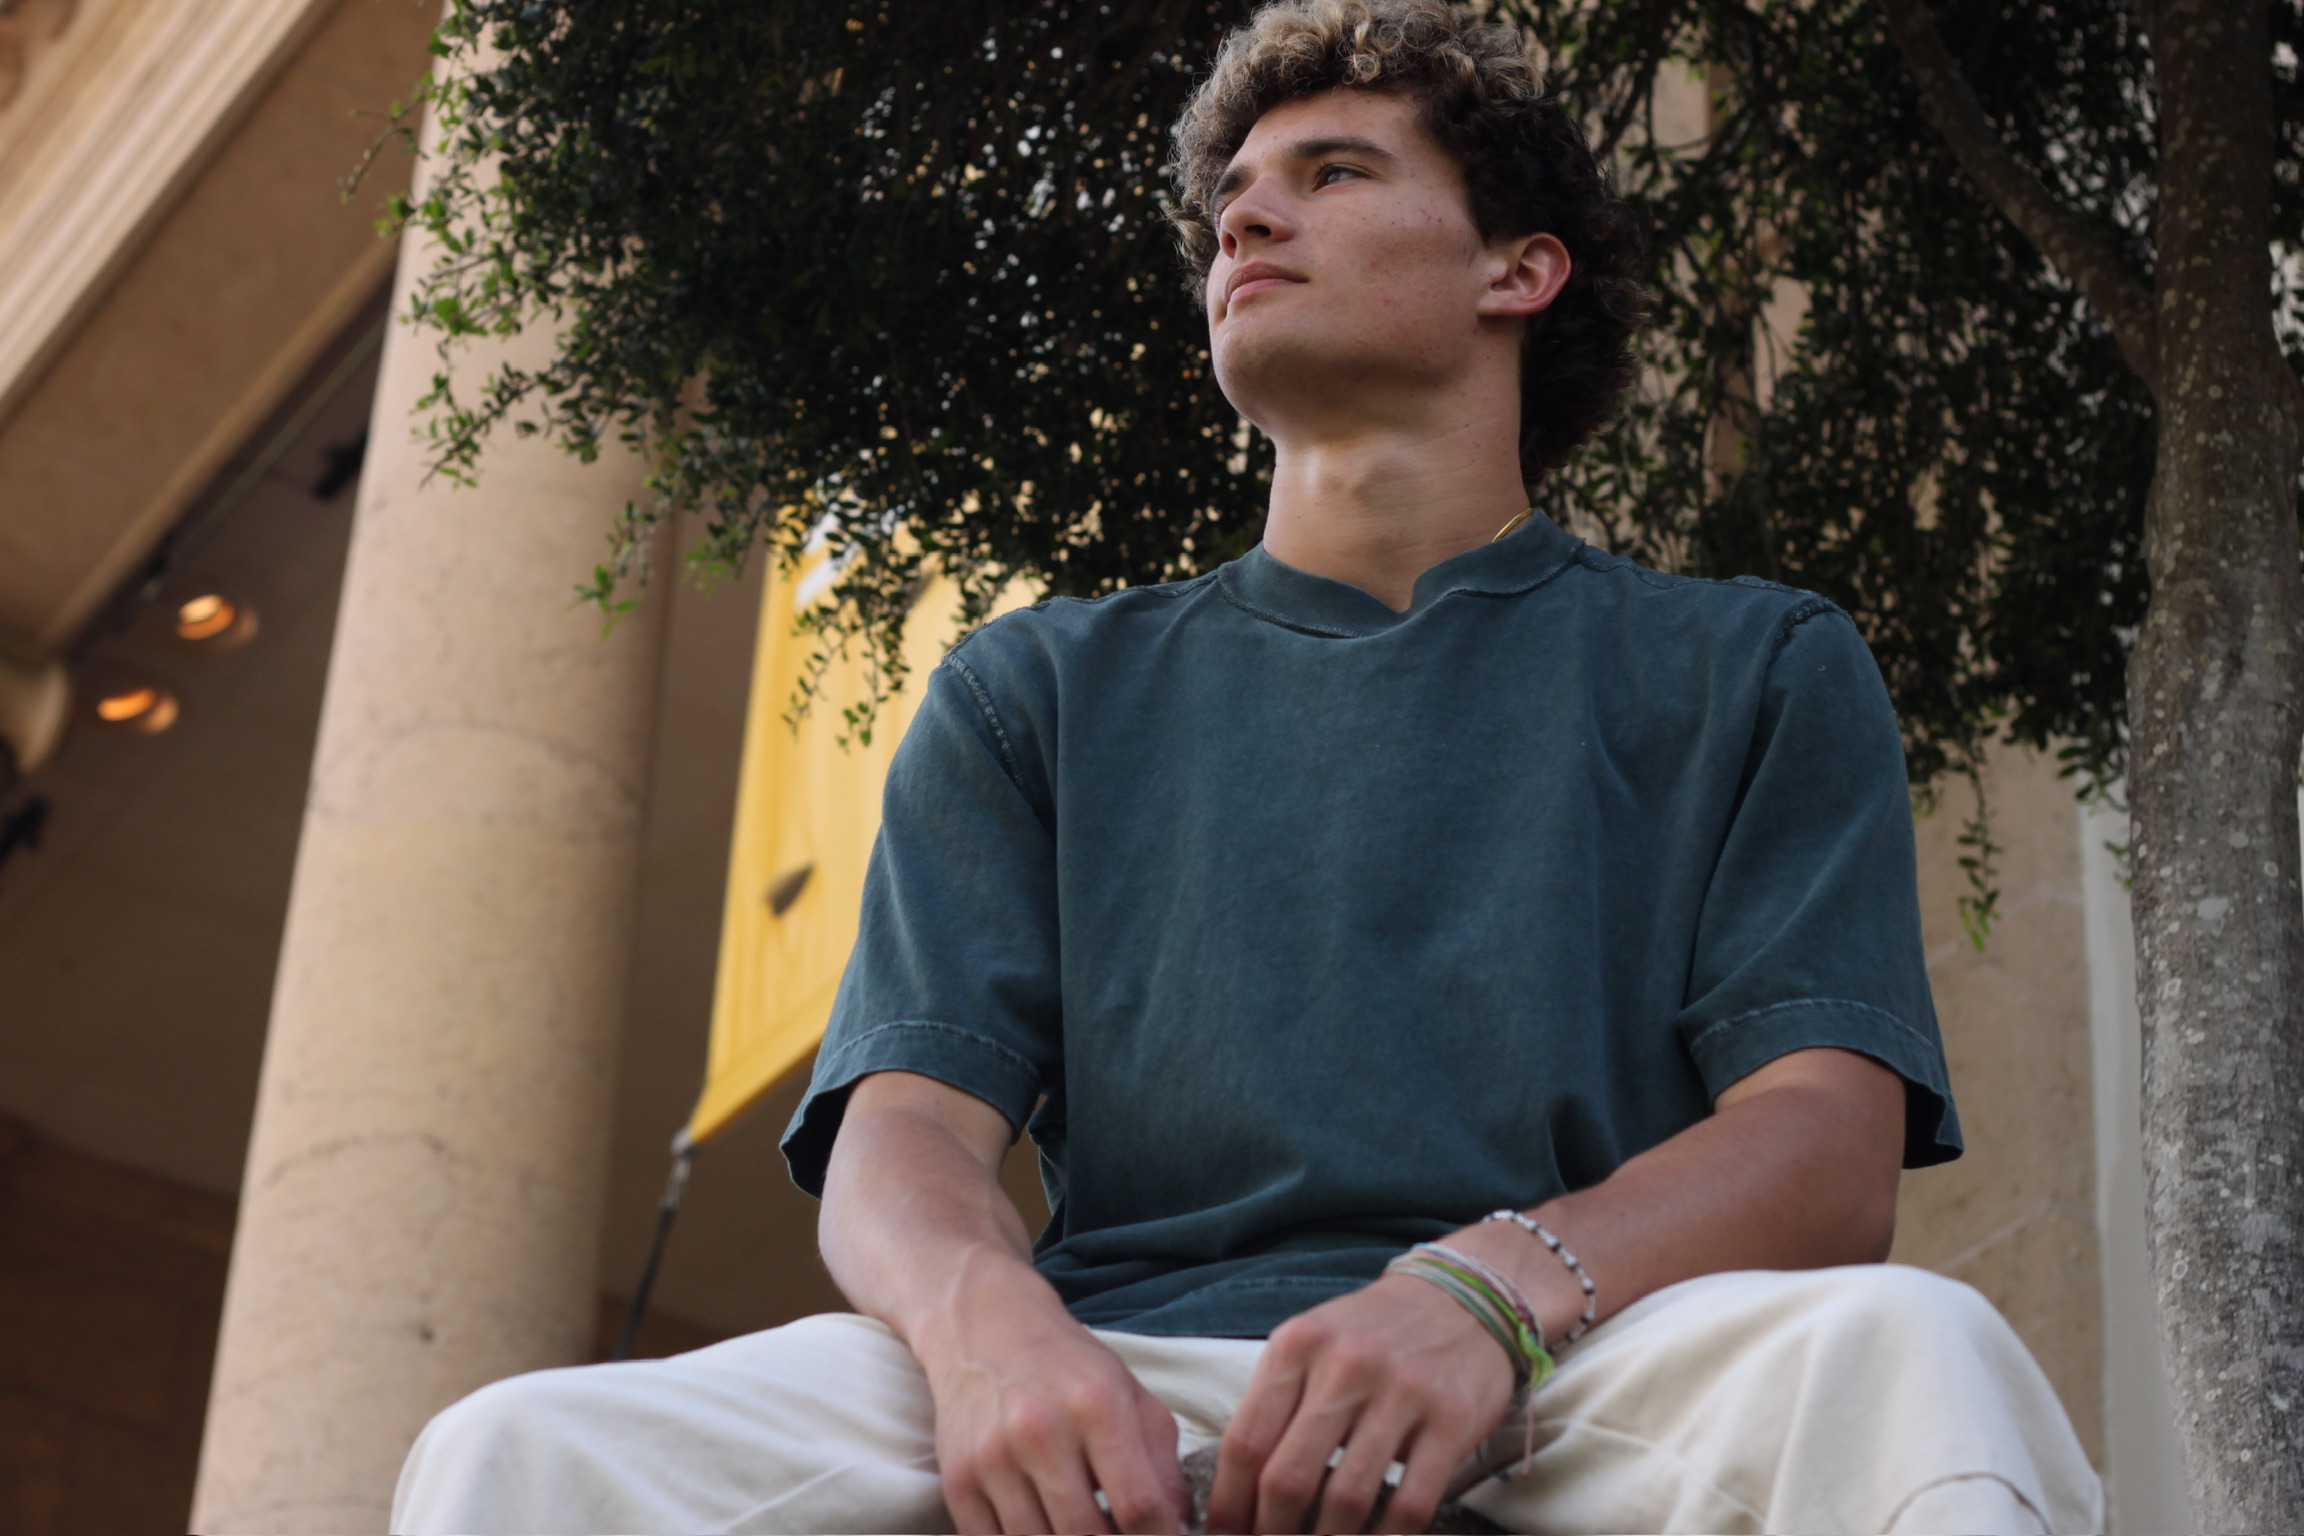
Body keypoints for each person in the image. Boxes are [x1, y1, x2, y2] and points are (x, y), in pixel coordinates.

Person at [392, 2, 2102, 1531]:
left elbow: (1822, 1143)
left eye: (1333, 173)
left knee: (1914, 1355)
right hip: (1108, 1361)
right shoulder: (1034, 690)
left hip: (1579, 1359)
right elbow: (905, 1128)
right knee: (522, 1452)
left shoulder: (1752, 664)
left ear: (1518, 271)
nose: (1246, 219)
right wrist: (990, 1339)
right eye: (1234, 198)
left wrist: (1487, 1297)